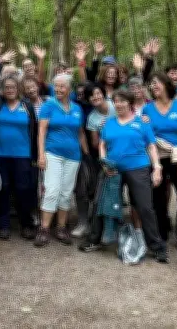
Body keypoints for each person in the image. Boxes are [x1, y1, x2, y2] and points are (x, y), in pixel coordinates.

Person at [80, 89, 169, 263]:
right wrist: (104, 161)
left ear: (130, 103)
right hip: (112, 170)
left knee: (145, 207)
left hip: (138, 168)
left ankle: (157, 247)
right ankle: (94, 240)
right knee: (101, 203)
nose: (119, 104)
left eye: (122, 101)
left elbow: (151, 146)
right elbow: (102, 144)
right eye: (116, 101)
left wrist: (157, 167)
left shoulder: (142, 123)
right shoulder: (109, 123)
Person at [142, 73, 177, 252]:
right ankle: (161, 233)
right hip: (157, 158)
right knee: (157, 198)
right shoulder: (148, 109)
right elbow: (146, 136)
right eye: (151, 85)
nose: (153, 87)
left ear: (166, 85)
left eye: (156, 83)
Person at [34, 74, 89, 247]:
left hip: (73, 156)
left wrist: (87, 155)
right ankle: (44, 229)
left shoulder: (77, 108)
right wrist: (41, 155)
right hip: (52, 153)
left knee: (66, 192)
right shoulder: (48, 105)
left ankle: (61, 227)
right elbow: (41, 131)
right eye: (56, 86)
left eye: (62, 86)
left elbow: (80, 133)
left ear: (69, 89)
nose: (58, 89)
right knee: (52, 190)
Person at [0, 74, 38, 241]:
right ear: (2, 90)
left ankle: (26, 224)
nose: (10, 90)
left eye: (13, 87)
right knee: (3, 189)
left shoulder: (27, 106)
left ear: (19, 89)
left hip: (22, 155)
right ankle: (3, 224)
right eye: (7, 87)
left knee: (23, 189)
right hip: (0, 154)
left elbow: (35, 131)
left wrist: (36, 155)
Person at [73, 83, 114, 238]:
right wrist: (101, 130)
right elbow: (95, 144)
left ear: (104, 94)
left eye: (98, 93)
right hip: (100, 156)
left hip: (123, 153)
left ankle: (109, 224)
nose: (95, 97)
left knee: (112, 191)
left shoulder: (116, 106)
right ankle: (86, 222)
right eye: (91, 96)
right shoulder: (92, 117)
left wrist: (111, 126)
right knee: (88, 188)